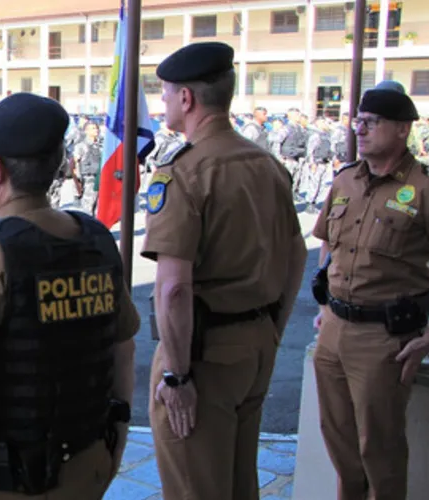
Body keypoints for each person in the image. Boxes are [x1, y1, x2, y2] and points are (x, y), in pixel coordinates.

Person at [0, 93, 137, 499]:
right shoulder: (96, 240)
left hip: (16, 483)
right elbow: (123, 351)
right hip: (89, 464)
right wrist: (115, 443)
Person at [141, 42, 306, 500]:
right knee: (238, 482)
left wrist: (176, 377)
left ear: (187, 100)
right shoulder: (267, 164)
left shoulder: (185, 172)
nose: (164, 104)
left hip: (203, 357)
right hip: (254, 344)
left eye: (167, 94)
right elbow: (296, 253)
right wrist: (273, 325)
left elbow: (173, 289)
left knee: (196, 485)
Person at [311, 86, 429, 500]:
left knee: (380, 449)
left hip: (383, 338)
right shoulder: (346, 179)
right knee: (339, 444)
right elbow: (326, 240)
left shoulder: (428, 189)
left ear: (403, 129)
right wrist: (326, 296)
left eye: (372, 122)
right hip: (334, 330)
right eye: (359, 120)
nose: (361, 128)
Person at [72, 120, 104, 215]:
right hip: (89, 179)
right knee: (88, 207)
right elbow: (74, 163)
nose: (96, 130)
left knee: (99, 208)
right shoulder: (82, 146)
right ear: (86, 131)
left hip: (101, 178)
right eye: (93, 128)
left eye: (97, 128)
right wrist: (77, 184)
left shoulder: (101, 145)